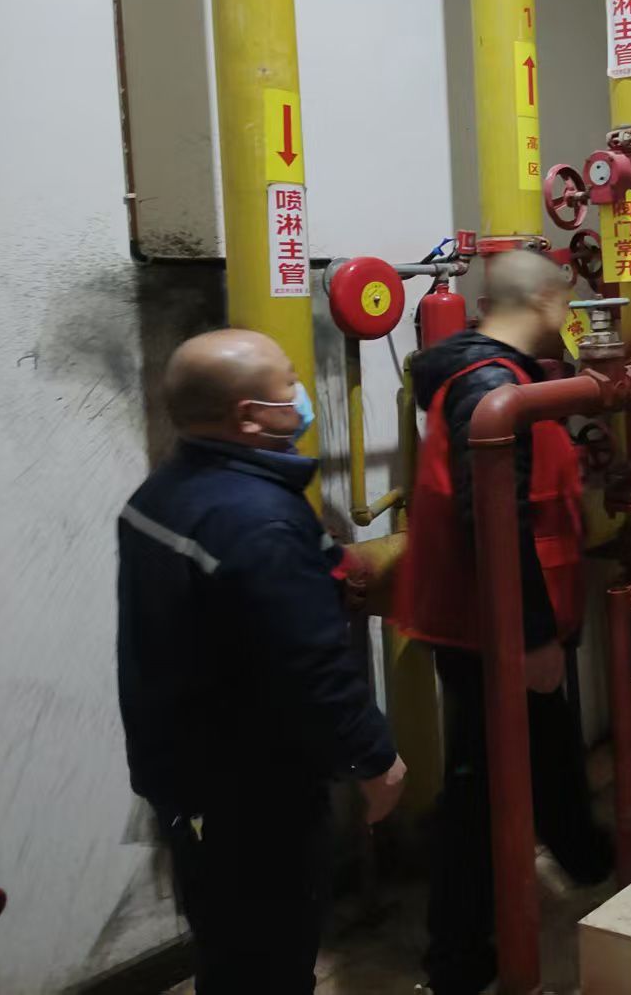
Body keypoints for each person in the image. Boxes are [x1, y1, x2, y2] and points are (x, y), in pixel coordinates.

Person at [117, 329, 405, 994]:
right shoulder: (258, 520)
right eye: (288, 383)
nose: (299, 394)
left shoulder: (158, 495)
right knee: (270, 956)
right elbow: (309, 664)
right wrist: (376, 759)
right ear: (249, 415)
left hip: (185, 773)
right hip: (253, 792)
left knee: (227, 946)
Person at [392, 249, 613, 994]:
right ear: (546, 298)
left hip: (499, 621)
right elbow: (493, 518)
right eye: (567, 302)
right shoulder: (489, 388)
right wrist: (532, 636)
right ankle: (456, 961)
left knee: (544, 753)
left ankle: (589, 860)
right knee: (480, 790)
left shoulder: (500, 378)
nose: (569, 316)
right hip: (488, 629)